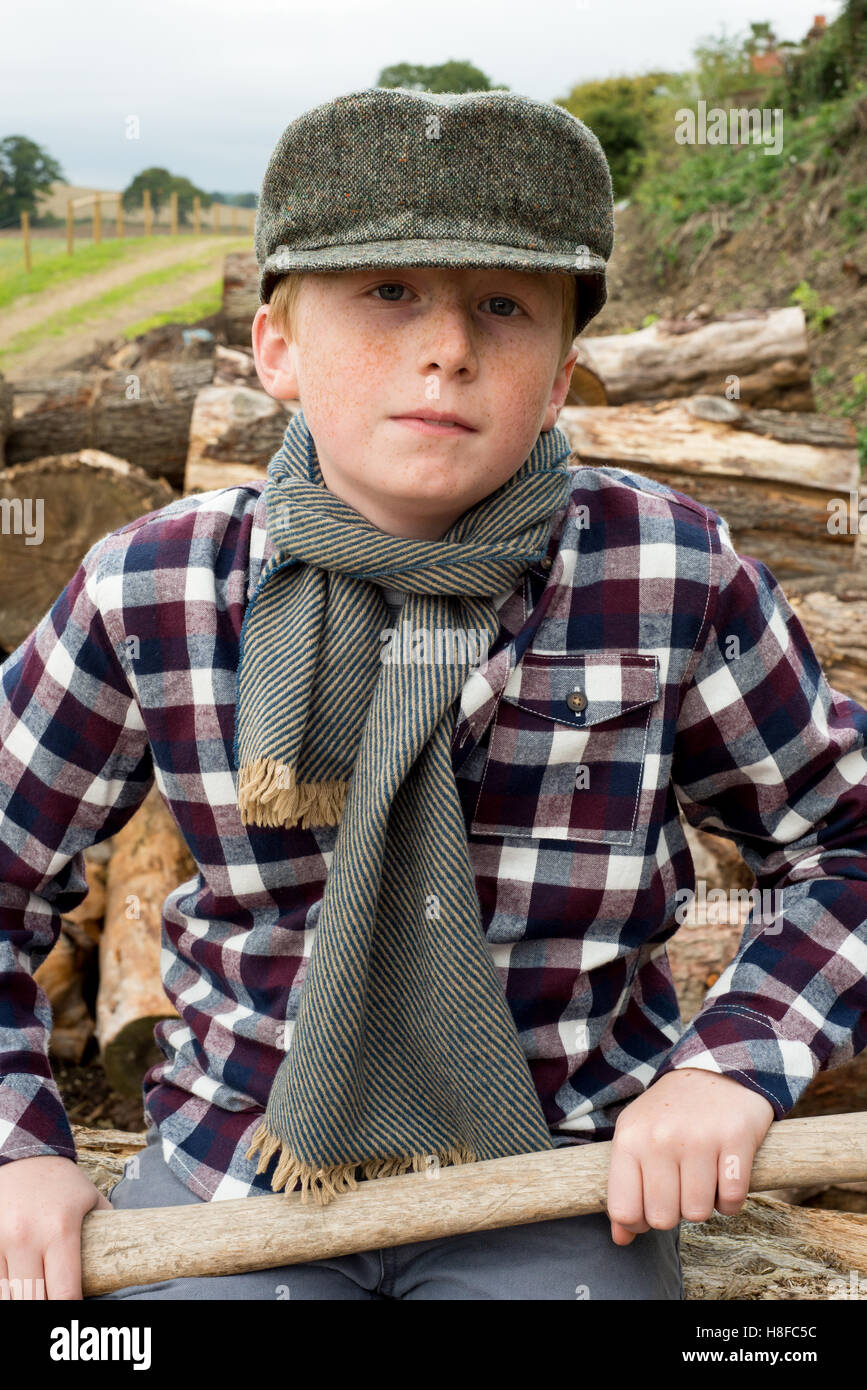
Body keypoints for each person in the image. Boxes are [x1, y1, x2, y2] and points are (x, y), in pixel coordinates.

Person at [1, 86, 866, 1302]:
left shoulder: (670, 571)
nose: (448, 347)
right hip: (236, 1168)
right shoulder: (154, 586)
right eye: (389, 291)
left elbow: (843, 843)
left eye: (503, 307)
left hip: (558, 1177)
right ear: (276, 349)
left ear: (560, 378)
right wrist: (19, 1149)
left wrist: (729, 1065)